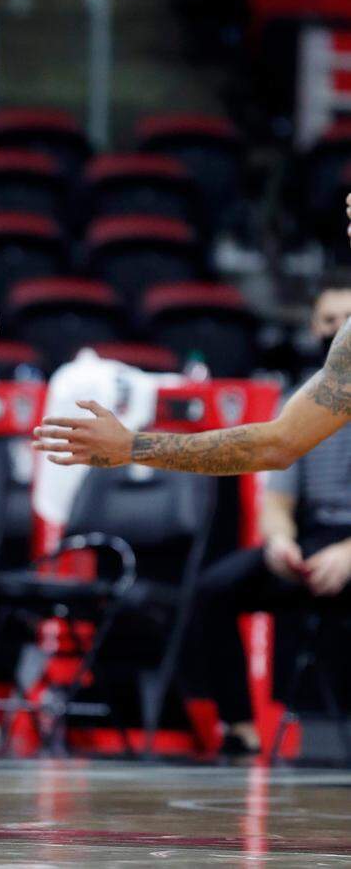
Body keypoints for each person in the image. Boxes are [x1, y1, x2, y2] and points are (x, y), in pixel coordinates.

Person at [180, 282, 351, 753]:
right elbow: (278, 500)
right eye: (328, 321)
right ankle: (241, 728)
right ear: (315, 330)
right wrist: (280, 541)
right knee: (214, 591)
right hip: (315, 539)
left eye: (348, 320)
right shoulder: (299, 403)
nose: (337, 330)